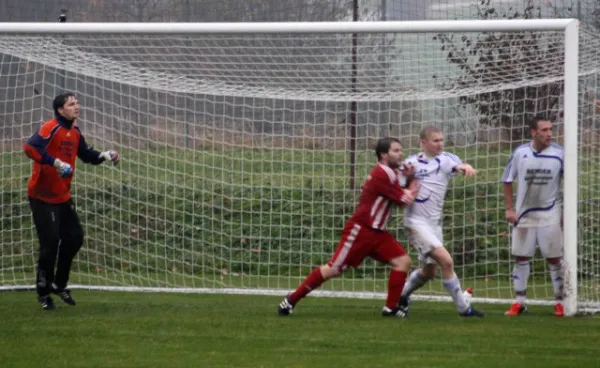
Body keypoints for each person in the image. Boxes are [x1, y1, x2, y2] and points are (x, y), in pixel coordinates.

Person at [278, 137, 419, 317]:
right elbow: (404, 200)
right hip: (361, 231)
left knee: (403, 261)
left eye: (401, 150)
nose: (401, 154)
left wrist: (406, 178)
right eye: (396, 151)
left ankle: (390, 308)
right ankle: (290, 300)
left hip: (377, 233)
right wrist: (415, 180)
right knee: (333, 269)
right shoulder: (383, 173)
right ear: (384, 155)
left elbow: (397, 193)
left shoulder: (388, 173)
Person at [23, 92, 120, 310]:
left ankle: (59, 283)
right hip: (42, 196)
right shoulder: (51, 128)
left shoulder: (74, 131)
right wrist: (56, 163)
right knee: (50, 244)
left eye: (77, 102)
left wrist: (105, 155)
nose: (76, 106)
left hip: (62, 196)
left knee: (75, 238)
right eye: (71, 104)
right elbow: (30, 147)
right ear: (60, 110)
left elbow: (85, 155)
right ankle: (43, 292)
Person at [398, 126, 484, 317]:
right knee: (447, 261)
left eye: (441, 140)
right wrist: (406, 186)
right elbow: (398, 190)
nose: (440, 144)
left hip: (434, 224)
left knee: (429, 272)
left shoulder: (446, 159)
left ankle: (401, 296)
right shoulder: (410, 164)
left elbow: (457, 166)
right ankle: (464, 309)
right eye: (435, 140)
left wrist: (465, 167)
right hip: (416, 222)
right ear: (423, 142)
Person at [502, 116, 565, 317]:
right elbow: (507, 180)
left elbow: (569, 182)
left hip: (550, 213)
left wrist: (565, 214)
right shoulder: (520, 153)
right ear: (533, 132)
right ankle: (519, 302)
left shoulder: (559, 154)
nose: (549, 134)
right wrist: (510, 209)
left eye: (551, 129)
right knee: (521, 256)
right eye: (544, 130)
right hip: (524, 214)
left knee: (554, 258)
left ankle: (560, 301)